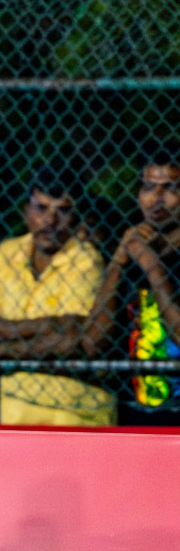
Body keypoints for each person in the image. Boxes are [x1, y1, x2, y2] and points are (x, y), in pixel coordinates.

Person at [0, 170, 114, 426]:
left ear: (76, 217)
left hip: (75, 415)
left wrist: (1, 349)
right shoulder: (8, 252)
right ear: (25, 211)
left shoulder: (86, 259)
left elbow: (73, 339)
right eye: (41, 208)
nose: (50, 220)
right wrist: (46, 327)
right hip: (14, 414)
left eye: (63, 210)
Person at [83, 154, 180, 425]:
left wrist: (151, 265)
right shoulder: (133, 252)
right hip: (135, 412)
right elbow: (93, 344)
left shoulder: (146, 259)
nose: (156, 198)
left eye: (170, 188)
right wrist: (117, 262)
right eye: (148, 187)